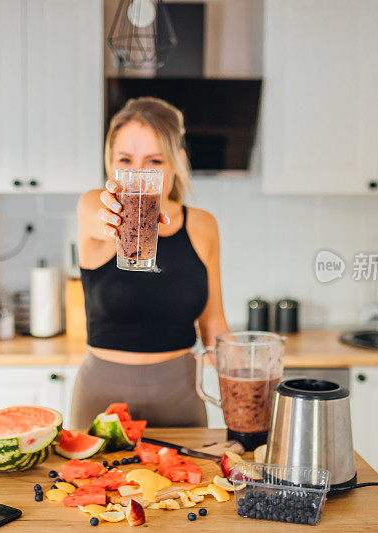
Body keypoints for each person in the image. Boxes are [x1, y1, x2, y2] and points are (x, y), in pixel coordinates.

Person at [70, 97, 229, 429]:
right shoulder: (94, 207)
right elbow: (97, 219)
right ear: (110, 165)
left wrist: (247, 384)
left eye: (154, 161)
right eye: (125, 160)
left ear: (176, 163)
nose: (137, 174)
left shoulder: (203, 225)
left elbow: (213, 327)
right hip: (102, 398)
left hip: (182, 394)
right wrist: (116, 219)